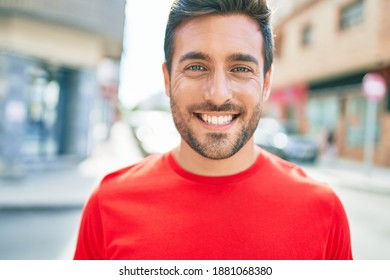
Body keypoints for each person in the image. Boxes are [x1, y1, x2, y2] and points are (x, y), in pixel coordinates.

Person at [74, 0, 353, 260]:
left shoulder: (323, 211)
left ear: (266, 83)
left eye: (241, 68)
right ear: (168, 79)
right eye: (196, 66)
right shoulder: (107, 203)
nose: (218, 95)